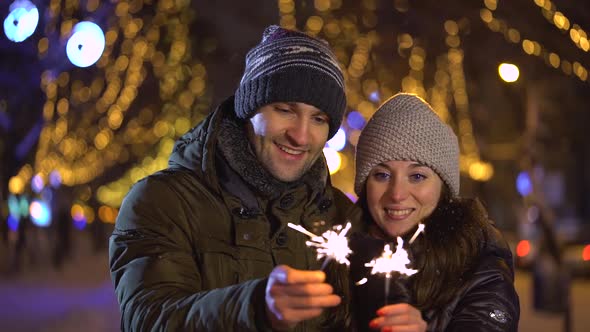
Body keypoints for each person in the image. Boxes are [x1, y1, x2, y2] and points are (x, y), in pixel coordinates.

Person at [109, 25, 360, 331]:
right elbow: (149, 318)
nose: (300, 135)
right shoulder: (162, 201)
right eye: (284, 109)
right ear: (248, 109)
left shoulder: (342, 216)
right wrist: (254, 307)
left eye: (319, 119)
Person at [349, 93, 520, 331]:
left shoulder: (478, 264)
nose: (397, 194)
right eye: (382, 175)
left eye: (417, 176)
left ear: (443, 188)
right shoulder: (336, 255)